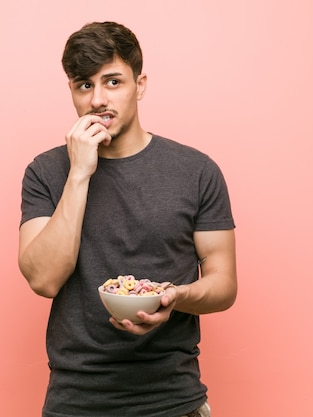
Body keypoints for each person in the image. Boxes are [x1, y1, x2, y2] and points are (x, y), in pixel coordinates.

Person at [18, 21, 237, 417]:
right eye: (84, 85)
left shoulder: (196, 171)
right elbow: (44, 279)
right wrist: (79, 173)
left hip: (174, 400)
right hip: (76, 400)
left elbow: (224, 285)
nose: (98, 99)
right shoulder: (46, 172)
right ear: (71, 91)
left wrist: (177, 296)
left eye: (113, 82)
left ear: (141, 85)